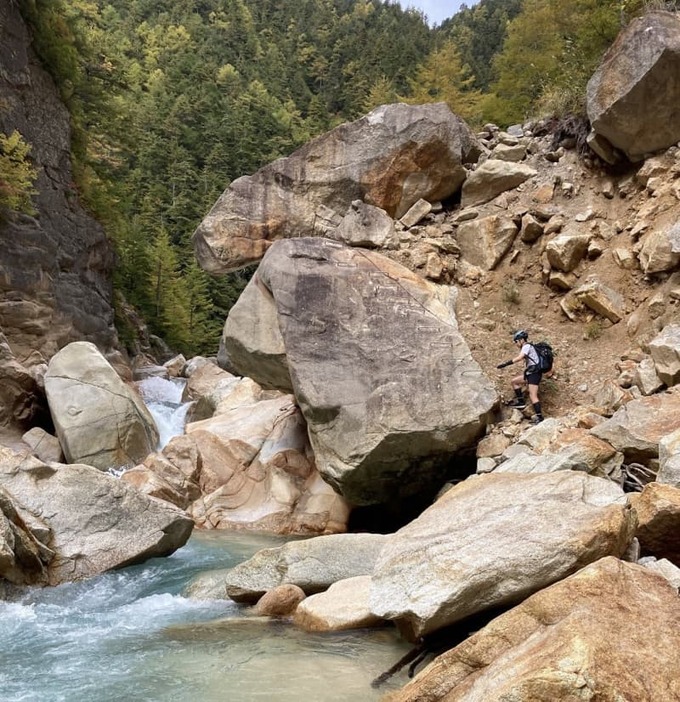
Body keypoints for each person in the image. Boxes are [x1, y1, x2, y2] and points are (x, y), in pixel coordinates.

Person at [496, 329, 544, 424]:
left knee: (533, 395)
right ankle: (521, 402)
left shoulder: (526, 346)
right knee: (514, 381)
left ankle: (540, 417)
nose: (516, 344)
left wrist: (506, 364)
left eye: (516, 341)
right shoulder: (529, 347)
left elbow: (520, 357)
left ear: (521, 340)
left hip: (534, 374)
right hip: (531, 373)